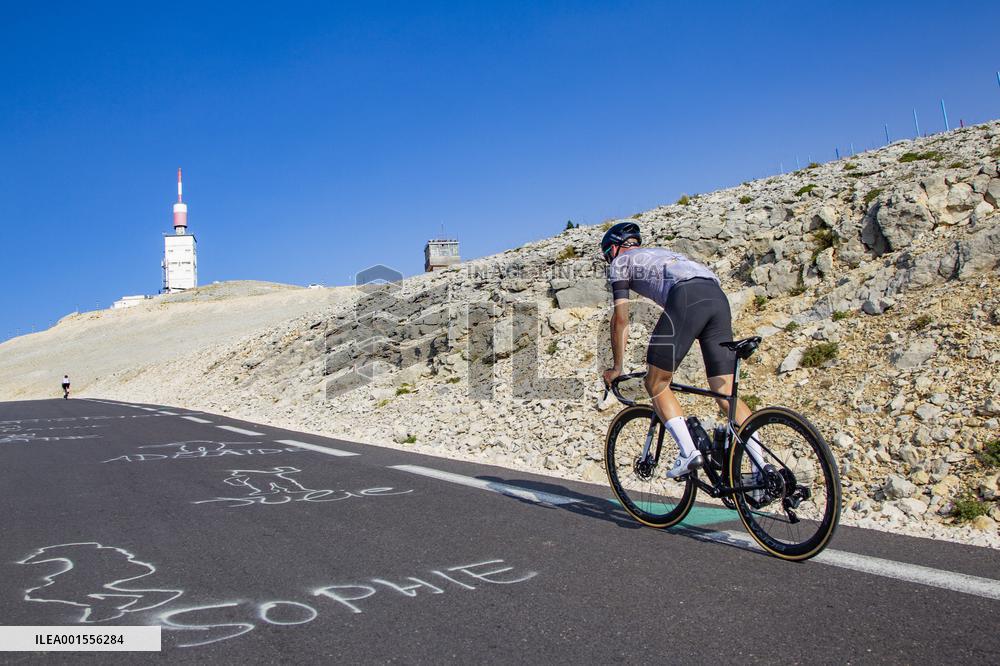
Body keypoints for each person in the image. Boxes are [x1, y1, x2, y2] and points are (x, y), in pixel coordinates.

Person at [600, 222, 764, 478]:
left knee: (656, 383)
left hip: (687, 297)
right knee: (724, 393)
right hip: (717, 297)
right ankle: (761, 469)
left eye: (607, 255)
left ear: (613, 249)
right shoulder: (661, 253)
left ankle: (689, 452)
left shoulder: (620, 263)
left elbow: (620, 319)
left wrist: (617, 367)